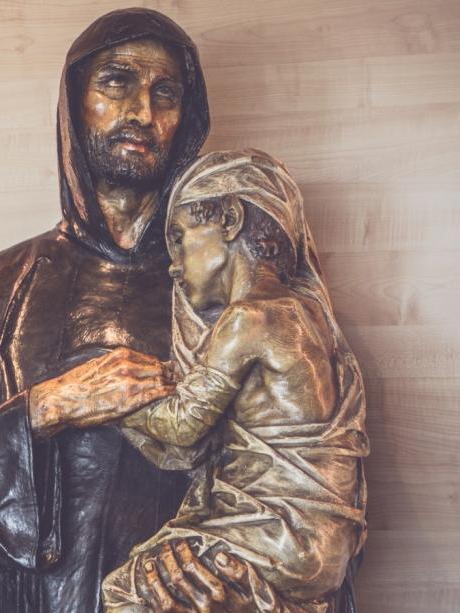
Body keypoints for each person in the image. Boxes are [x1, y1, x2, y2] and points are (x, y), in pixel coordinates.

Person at [0, 9, 212, 612]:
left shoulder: (227, 283)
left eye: (167, 93)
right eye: (117, 81)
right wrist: (47, 407)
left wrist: (214, 539)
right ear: (74, 102)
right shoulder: (0, 288)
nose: (143, 112)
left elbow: (301, 454)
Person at [101, 149, 369, 613]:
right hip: (321, 543)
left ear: (228, 218)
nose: (173, 264)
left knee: (125, 592)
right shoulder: (310, 318)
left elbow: (184, 426)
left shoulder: (248, 317)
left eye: (180, 238)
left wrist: (116, 398)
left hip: (274, 534)